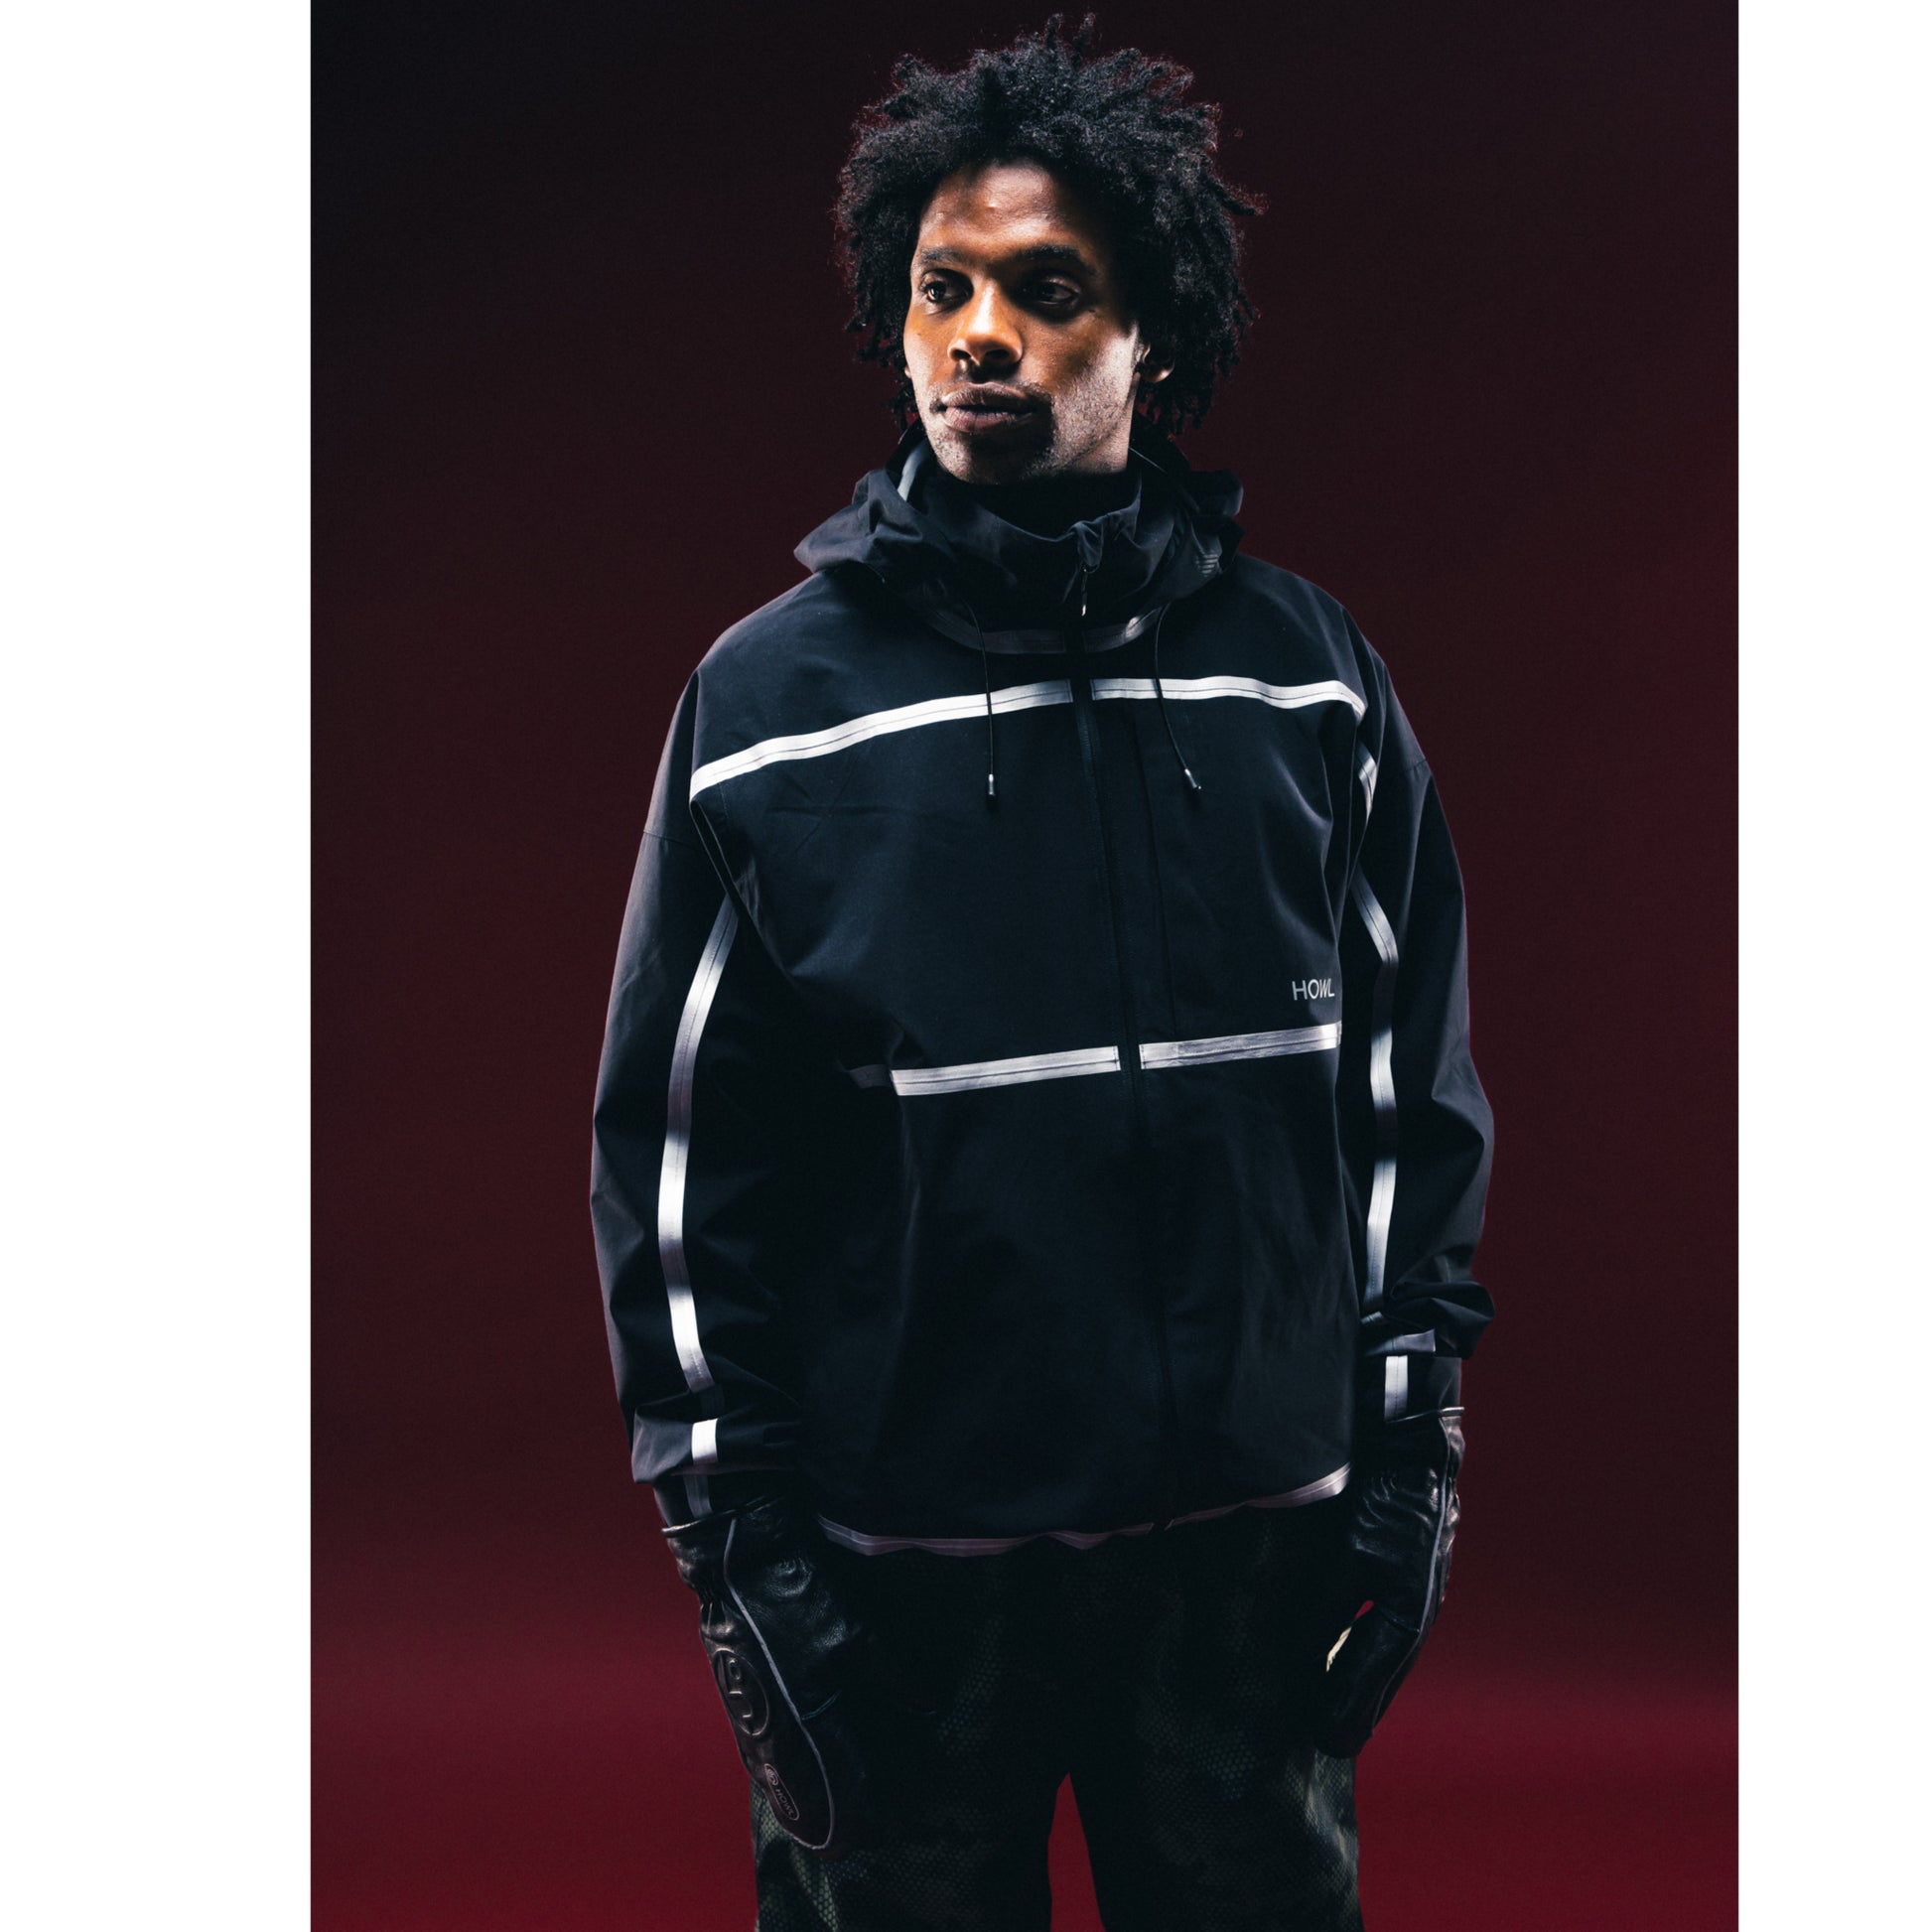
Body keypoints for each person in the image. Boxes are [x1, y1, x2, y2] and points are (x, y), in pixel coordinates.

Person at [591, 17, 1494, 1928]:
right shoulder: (762, 709)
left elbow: (1405, 1093)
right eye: (941, 289)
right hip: (899, 1586)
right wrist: (740, 1557)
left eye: (1045, 290)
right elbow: (676, 1164)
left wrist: (1411, 1441)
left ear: (1149, 332)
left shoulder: (1308, 681)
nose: (977, 336)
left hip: (1243, 1569)